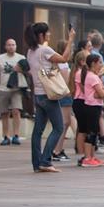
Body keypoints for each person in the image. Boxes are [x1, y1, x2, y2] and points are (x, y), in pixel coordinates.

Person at [24, 22, 75, 173]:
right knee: (58, 128)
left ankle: (37, 163)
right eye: (48, 33)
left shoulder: (30, 52)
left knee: (38, 130)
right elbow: (64, 59)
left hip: (38, 95)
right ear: (41, 35)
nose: (49, 35)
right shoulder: (45, 50)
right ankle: (46, 161)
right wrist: (71, 39)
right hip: (49, 95)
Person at [0, 39, 25, 146]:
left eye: (13, 45)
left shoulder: (21, 58)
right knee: (4, 113)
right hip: (3, 89)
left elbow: (28, 71)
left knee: (16, 111)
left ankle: (16, 135)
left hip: (16, 89)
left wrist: (21, 70)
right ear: (5, 47)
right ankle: (6, 136)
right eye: (9, 45)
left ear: (16, 46)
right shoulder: (0, 58)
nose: (11, 47)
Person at [73, 53, 104, 167]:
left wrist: (101, 93)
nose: (101, 65)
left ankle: (92, 156)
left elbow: (98, 94)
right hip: (92, 106)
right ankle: (87, 157)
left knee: (94, 132)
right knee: (91, 132)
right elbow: (101, 93)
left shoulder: (91, 75)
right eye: (99, 62)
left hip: (94, 106)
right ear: (93, 63)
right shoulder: (92, 76)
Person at [51, 40, 76, 162]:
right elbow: (65, 82)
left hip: (58, 94)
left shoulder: (56, 62)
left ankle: (57, 149)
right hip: (64, 95)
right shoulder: (64, 65)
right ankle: (57, 150)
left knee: (63, 123)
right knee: (64, 123)